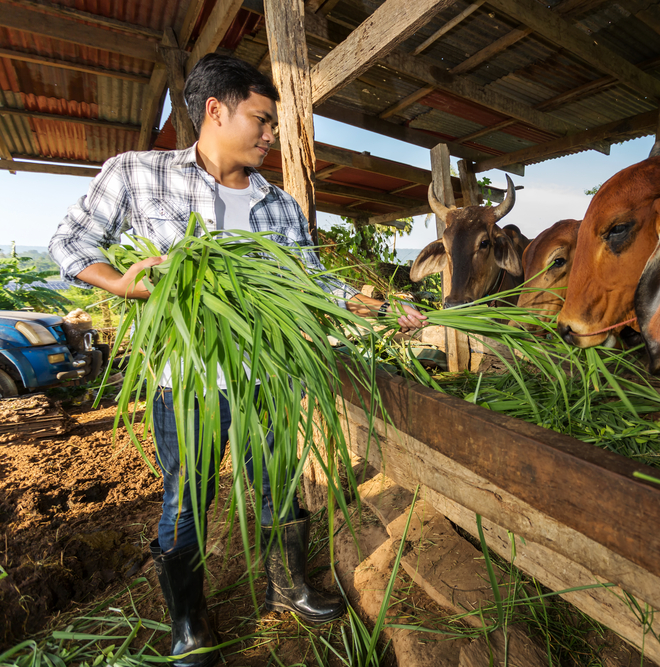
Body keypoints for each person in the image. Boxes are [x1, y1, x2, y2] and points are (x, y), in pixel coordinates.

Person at [49, 53, 426, 667]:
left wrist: (377, 307)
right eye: (263, 119)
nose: (272, 135)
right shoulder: (137, 175)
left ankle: (291, 587)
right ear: (215, 110)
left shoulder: (277, 205)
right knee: (187, 498)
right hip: (186, 380)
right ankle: (190, 626)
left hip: (267, 378)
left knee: (279, 484)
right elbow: (69, 244)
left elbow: (314, 281)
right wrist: (122, 284)